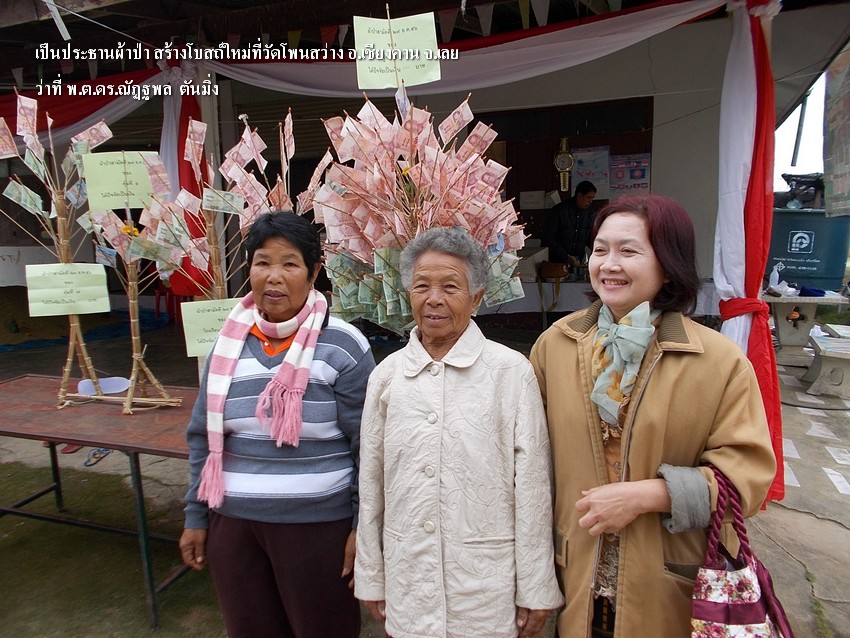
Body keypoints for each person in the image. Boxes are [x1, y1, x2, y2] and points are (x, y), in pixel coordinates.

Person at [529, 194, 776, 637]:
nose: (609, 264)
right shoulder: (556, 345)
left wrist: (650, 495)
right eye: (600, 249)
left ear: (668, 263)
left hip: (670, 585)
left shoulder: (718, 361)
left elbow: (749, 481)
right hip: (576, 576)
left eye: (629, 251)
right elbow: (529, 459)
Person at [355, 226, 564, 638]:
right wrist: (372, 577)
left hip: (486, 586)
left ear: (477, 297)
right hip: (408, 577)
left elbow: (534, 489)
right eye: (421, 286)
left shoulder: (510, 373)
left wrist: (535, 587)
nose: (433, 299)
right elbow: (371, 485)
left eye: (450, 286)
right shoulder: (386, 377)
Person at [179, 212, 375, 638]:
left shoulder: (343, 344)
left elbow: (370, 446)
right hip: (234, 527)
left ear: (314, 273)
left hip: (319, 528)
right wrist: (195, 516)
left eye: (290, 264)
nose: (274, 276)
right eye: (262, 262)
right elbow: (202, 435)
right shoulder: (227, 344)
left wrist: (363, 527)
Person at [541, 180, 597, 264]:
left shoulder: (590, 213)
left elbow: (589, 237)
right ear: (579, 196)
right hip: (557, 261)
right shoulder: (560, 210)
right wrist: (565, 256)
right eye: (588, 197)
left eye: (592, 198)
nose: (590, 201)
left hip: (578, 260)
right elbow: (547, 237)